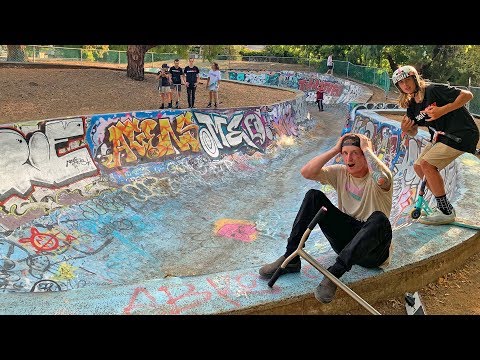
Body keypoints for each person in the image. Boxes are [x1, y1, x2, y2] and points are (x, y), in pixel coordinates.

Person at [259, 133, 393, 303]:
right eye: (345, 153)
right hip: (346, 243)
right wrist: (334, 149)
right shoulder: (341, 173)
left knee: (379, 219)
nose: (348, 158)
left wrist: (367, 149)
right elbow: (306, 172)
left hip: (373, 251)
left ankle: (334, 274)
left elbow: (382, 178)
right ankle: (291, 258)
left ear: (365, 155)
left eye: (355, 153)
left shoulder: (379, 178)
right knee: (313, 196)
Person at [394, 65, 479, 225]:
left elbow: (467, 95)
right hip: (441, 137)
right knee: (419, 167)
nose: (405, 85)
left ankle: (445, 212)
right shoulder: (412, 106)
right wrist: (407, 129)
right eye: (401, 83)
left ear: (415, 78)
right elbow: (413, 132)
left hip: (461, 133)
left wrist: (442, 110)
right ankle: (444, 205)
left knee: (427, 164)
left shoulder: (432, 90)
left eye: (407, 80)